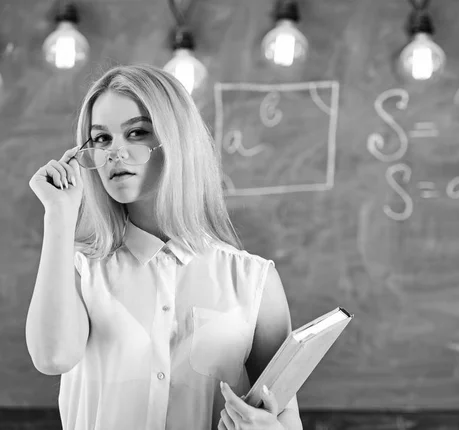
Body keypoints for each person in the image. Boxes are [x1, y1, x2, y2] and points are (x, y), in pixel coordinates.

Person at [25, 64, 303, 430]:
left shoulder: (253, 281)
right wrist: (59, 215)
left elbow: (287, 419)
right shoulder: (80, 270)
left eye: (137, 132)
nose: (114, 153)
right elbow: (53, 357)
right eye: (101, 139)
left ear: (177, 141)